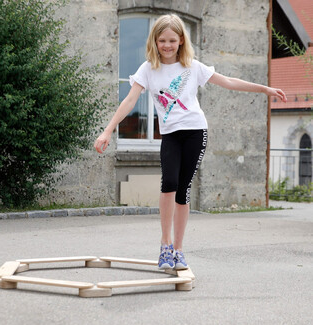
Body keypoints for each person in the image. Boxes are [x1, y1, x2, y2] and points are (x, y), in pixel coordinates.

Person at [94, 14, 287, 271]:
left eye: (172, 40)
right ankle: (165, 245)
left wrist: (264, 89)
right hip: (171, 135)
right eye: (162, 40)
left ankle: (179, 250)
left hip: (196, 132)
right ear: (155, 41)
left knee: (183, 190)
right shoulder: (147, 69)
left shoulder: (193, 67)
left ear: (181, 40)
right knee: (168, 185)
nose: (167, 45)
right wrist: (107, 131)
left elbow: (228, 81)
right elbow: (129, 101)